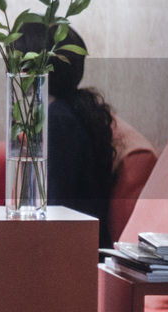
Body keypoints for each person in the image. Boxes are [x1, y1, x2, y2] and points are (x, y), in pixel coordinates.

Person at [18, 21, 116, 244]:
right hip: (75, 246)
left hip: (71, 253)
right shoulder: (70, 111)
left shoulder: (59, 121)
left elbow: (56, 210)